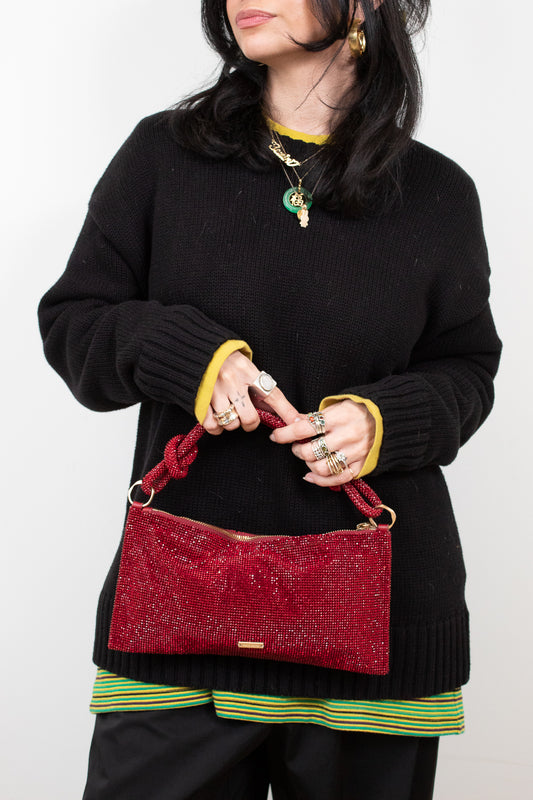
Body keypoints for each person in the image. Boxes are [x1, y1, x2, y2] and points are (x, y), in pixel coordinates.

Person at [37, 1, 502, 798]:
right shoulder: (162, 156)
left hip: (377, 632)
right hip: (177, 627)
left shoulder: (437, 192)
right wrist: (192, 358)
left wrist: (383, 421)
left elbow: (466, 368)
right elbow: (74, 321)